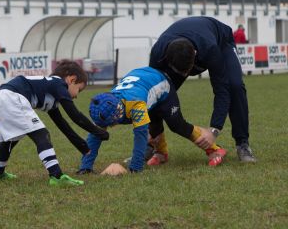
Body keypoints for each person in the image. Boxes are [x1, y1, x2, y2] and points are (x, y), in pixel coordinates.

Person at [77, 67, 226, 175]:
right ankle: (162, 153)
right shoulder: (104, 106)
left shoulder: (136, 105)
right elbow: (95, 135)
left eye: (111, 123)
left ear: (118, 113)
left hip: (161, 84)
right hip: (142, 83)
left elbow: (141, 136)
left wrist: (135, 168)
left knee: (177, 125)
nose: (109, 126)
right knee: (154, 123)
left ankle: (214, 149)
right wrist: (85, 167)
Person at [149, 16, 255, 162]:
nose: (186, 76)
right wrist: (154, 130)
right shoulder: (158, 53)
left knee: (234, 86)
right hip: (184, 42)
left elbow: (222, 91)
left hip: (220, 41)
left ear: (195, 57)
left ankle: (242, 143)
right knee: (159, 91)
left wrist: (214, 130)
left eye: (187, 71)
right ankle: (154, 145)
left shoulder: (210, 49)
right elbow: (152, 93)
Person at [0, 60, 109, 186]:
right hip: (11, 97)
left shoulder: (50, 90)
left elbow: (62, 125)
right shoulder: (58, 83)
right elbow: (74, 115)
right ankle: (56, 176)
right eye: (79, 89)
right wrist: (98, 131)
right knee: (42, 134)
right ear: (72, 80)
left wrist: (81, 145)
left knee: (11, 139)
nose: (77, 96)